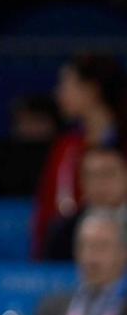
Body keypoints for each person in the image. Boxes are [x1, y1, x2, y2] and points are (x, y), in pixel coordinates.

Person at [33, 54, 127, 257]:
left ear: (91, 89)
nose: (58, 94)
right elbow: (47, 215)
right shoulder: (65, 147)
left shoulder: (121, 141)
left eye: (66, 85)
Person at [32, 208, 127, 315]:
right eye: (85, 246)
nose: (92, 257)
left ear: (123, 252)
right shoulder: (51, 308)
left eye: (102, 246)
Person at [44, 146, 127, 260]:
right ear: (81, 181)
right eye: (92, 175)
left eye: (108, 173)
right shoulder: (64, 232)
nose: (100, 183)